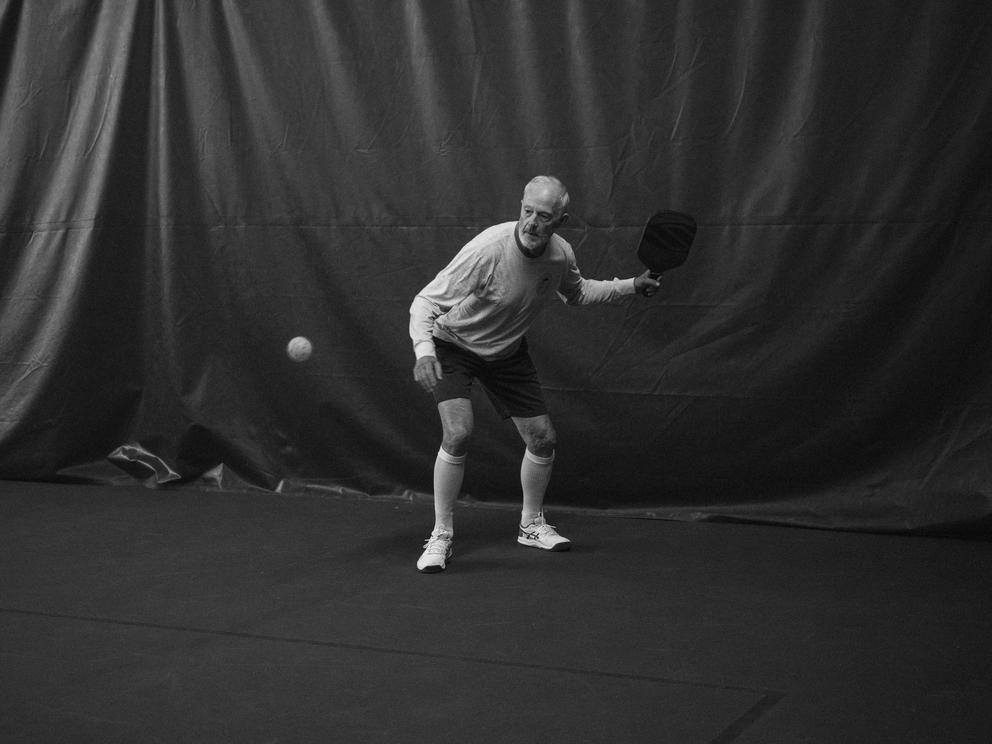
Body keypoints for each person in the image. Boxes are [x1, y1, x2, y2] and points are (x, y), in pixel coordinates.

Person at [409, 175, 660, 572]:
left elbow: (578, 294)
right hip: (453, 346)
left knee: (543, 439)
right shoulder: (488, 250)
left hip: (507, 353)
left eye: (544, 216)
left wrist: (631, 284)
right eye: (527, 212)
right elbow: (424, 303)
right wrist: (424, 352)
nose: (531, 223)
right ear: (520, 207)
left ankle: (530, 525)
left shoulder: (560, 255)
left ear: (560, 220)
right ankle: (441, 534)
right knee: (458, 433)